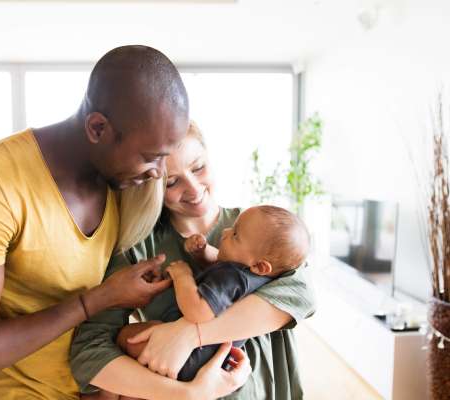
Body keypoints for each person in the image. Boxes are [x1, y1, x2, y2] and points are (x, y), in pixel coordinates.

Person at [0, 46, 250, 400]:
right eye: (150, 158)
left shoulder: (122, 186)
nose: (157, 174)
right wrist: (95, 301)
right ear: (98, 128)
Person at [70, 121, 316, 400]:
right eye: (171, 182)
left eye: (198, 167)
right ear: (150, 185)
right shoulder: (138, 248)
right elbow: (89, 350)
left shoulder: (266, 231)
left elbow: (301, 295)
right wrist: (186, 393)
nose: (193, 187)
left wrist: (187, 334)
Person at [116, 205, 310, 385]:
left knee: (126, 337)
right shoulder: (249, 274)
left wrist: (183, 276)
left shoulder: (232, 278)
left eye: (235, 235)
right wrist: (202, 252)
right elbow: (219, 263)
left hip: (190, 358)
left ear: (259, 266)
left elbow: (197, 312)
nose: (225, 232)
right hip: (205, 357)